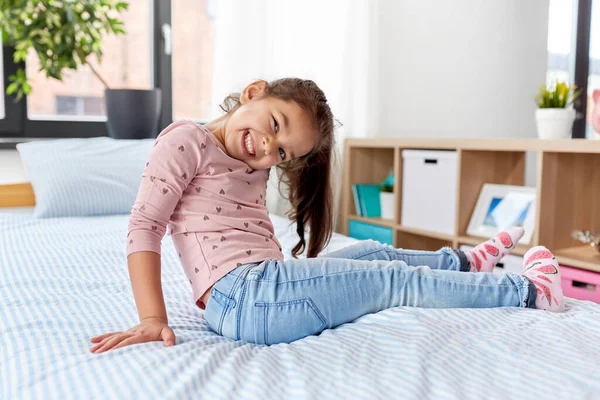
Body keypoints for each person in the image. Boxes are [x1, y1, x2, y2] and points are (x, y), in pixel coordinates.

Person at [90, 78, 564, 352]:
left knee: (373, 252)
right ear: (254, 92)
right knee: (393, 280)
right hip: (245, 298)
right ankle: (525, 290)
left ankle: (460, 263)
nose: (266, 148)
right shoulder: (184, 141)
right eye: (273, 125)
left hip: (262, 287)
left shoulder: (251, 157)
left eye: (281, 152)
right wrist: (152, 317)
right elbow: (145, 227)